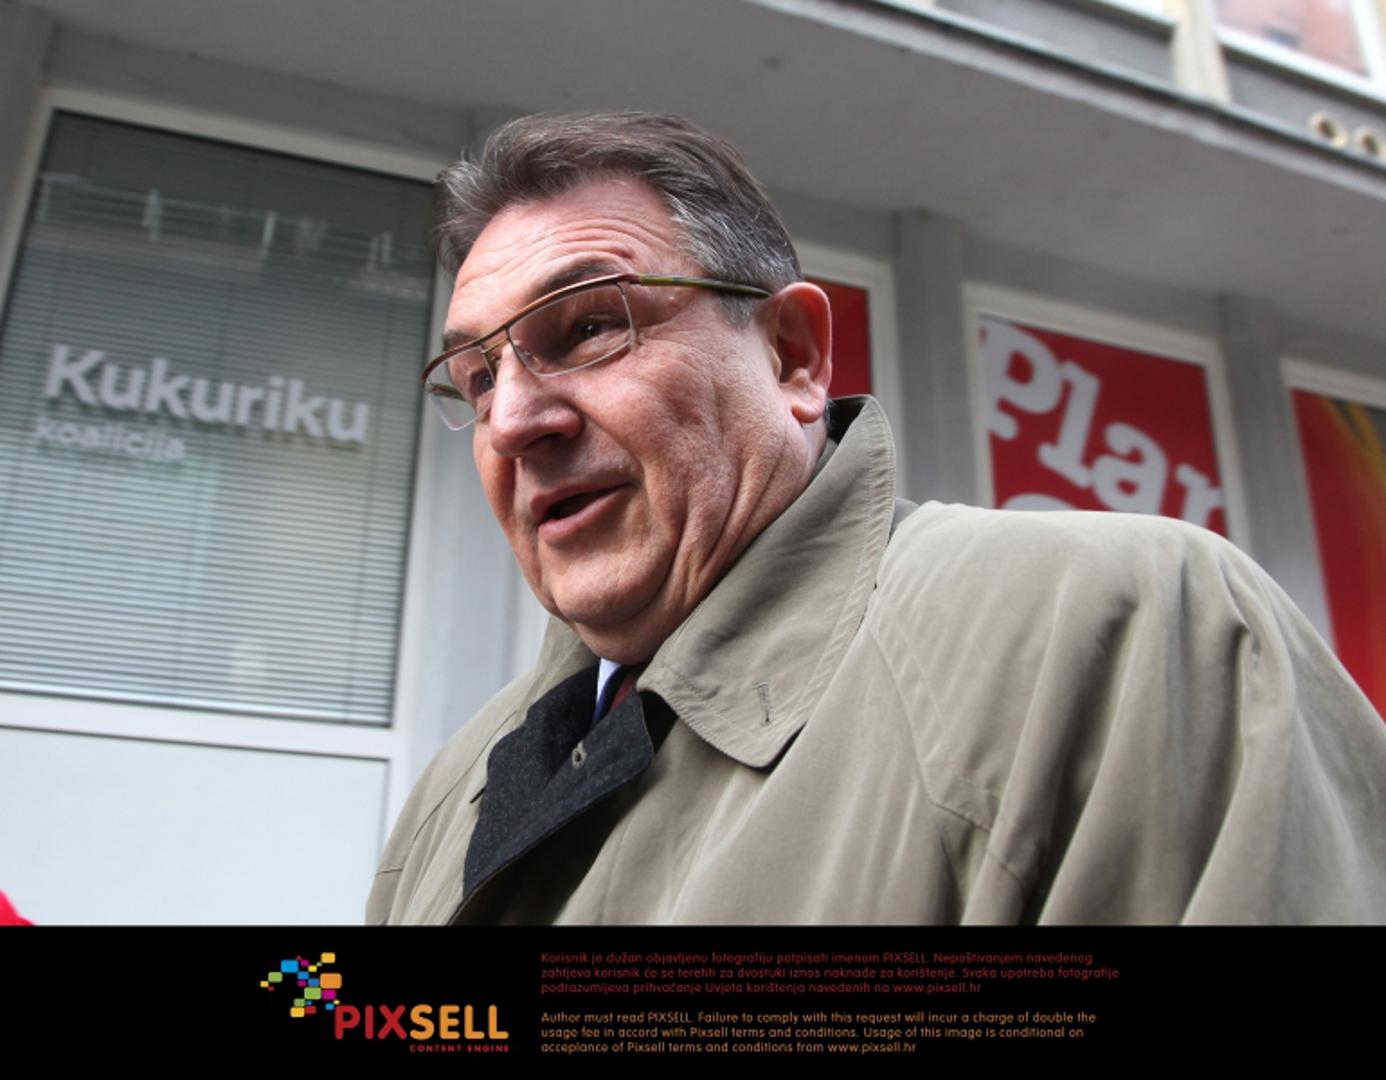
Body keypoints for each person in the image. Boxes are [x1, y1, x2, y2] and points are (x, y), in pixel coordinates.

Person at [368, 111, 1386, 925]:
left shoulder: (1124, 629)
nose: (513, 421)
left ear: (792, 356)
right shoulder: (454, 787)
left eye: (590, 324)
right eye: (478, 376)